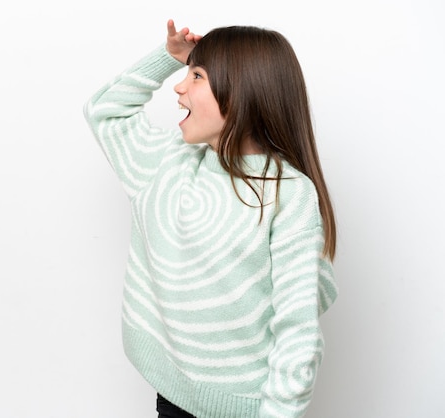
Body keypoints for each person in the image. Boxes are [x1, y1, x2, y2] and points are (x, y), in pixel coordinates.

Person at [83, 19, 338, 418]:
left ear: (241, 91)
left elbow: (297, 332)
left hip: (250, 408)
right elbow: (104, 111)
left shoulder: (287, 192)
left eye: (196, 76)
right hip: (174, 395)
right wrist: (168, 57)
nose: (179, 87)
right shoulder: (168, 163)